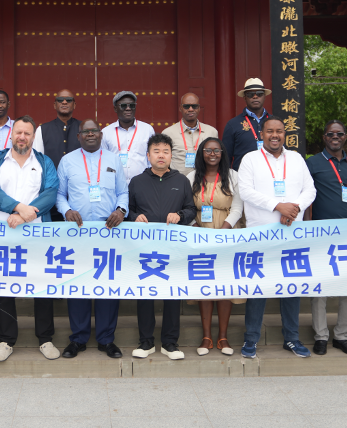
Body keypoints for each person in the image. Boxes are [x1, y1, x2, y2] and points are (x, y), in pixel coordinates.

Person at [237, 117, 316, 359]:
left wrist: (294, 209)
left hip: (291, 233)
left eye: (279, 131)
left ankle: (291, 338)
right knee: (257, 287)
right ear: (261, 134)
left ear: (285, 134)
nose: (274, 135)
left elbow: (310, 189)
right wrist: (278, 206)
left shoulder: (296, 159)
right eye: (270, 131)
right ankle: (251, 339)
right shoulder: (250, 159)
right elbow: (245, 191)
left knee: (291, 288)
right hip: (260, 234)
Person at [0, 116, 60, 362]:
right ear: (11, 134)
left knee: (42, 284)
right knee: (4, 286)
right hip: (3, 233)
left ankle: (45, 338)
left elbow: (50, 193)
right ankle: (6, 340)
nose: (22, 137)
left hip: (37, 233)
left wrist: (27, 215)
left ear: (33, 137)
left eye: (27, 133)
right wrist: (18, 208)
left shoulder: (44, 162)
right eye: (19, 132)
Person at [55, 119, 128, 360]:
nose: (90, 135)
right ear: (78, 136)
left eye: (94, 131)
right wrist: (66, 211)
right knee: (78, 284)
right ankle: (78, 338)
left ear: (100, 134)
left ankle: (107, 339)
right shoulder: (67, 161)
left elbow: (123, 192)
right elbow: (59, 194)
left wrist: (121, 210)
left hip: (109, 232)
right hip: (78, 234)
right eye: (85, 132)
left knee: (107, 284)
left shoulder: (113, 159)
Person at [127, 134, 196, 360]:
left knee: (172, 295)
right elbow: (128, 210)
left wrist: (180, 215)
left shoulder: (181, 181)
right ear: (148, 155)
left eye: (165, 151)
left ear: (170, 155)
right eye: (156, 151)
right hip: (144, 248)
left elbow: (191, 209)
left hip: (173, 248)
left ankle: (170, 343)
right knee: (145, 294)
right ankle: (146, 342)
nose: (161, 155)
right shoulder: (137, 181)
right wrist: (135, 217)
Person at [304, 121, 347, 356]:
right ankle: (321, 335)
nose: (335, 137)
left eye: (339, 134)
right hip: (321, 233)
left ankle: (342, 336)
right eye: (330, 134)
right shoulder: (313, 163)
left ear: (345, 137)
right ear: (324, 137)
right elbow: (308, 200)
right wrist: (308, 229)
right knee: (320, 286)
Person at [188, 137, 244, 356]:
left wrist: (224, 230)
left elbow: (238, 206)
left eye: (217, 150)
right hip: (199, 234)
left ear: (223, 152)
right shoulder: (192, 177)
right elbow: (186, 206)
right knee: (205, 285)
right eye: (208, 150)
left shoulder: (233, 176)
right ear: (201, 153)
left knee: (225, 286)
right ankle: (206, 337)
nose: (212, 154)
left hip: (227, 233)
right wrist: (198, 229)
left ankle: (223, 336)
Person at [33, 89, 81, 222]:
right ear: (55, 105)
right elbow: (37, 164)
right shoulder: (42, 130)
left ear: (74, 105)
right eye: (60, 100)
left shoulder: (83, 129)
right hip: (50, 194)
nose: (64, 102)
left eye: (69, 100)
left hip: (78, 194)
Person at [101, 91, 156, 184]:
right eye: (123, 106)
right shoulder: (106, 132)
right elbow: (103, 162)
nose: (128, 108)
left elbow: (152, 159)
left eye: (132, 105)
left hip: (143, 185)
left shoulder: (147, 130)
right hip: (115, 185)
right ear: (115, 108)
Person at [162, 93, 219, 176]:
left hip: (204, 181)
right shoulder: (168, 133)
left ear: (199, 108)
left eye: (194, 106)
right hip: (178, 182)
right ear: (180, 108)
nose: (191, 109)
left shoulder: (211, 132)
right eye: (186, 106)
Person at [222, 78, 272, 172]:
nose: (255, 97)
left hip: (270, 177)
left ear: (264, 96)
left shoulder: (274, 122)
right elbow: (225, 158)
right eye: (250, 94)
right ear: (244, 97)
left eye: (259, 94)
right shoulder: (233, 124)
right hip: (242, 179)